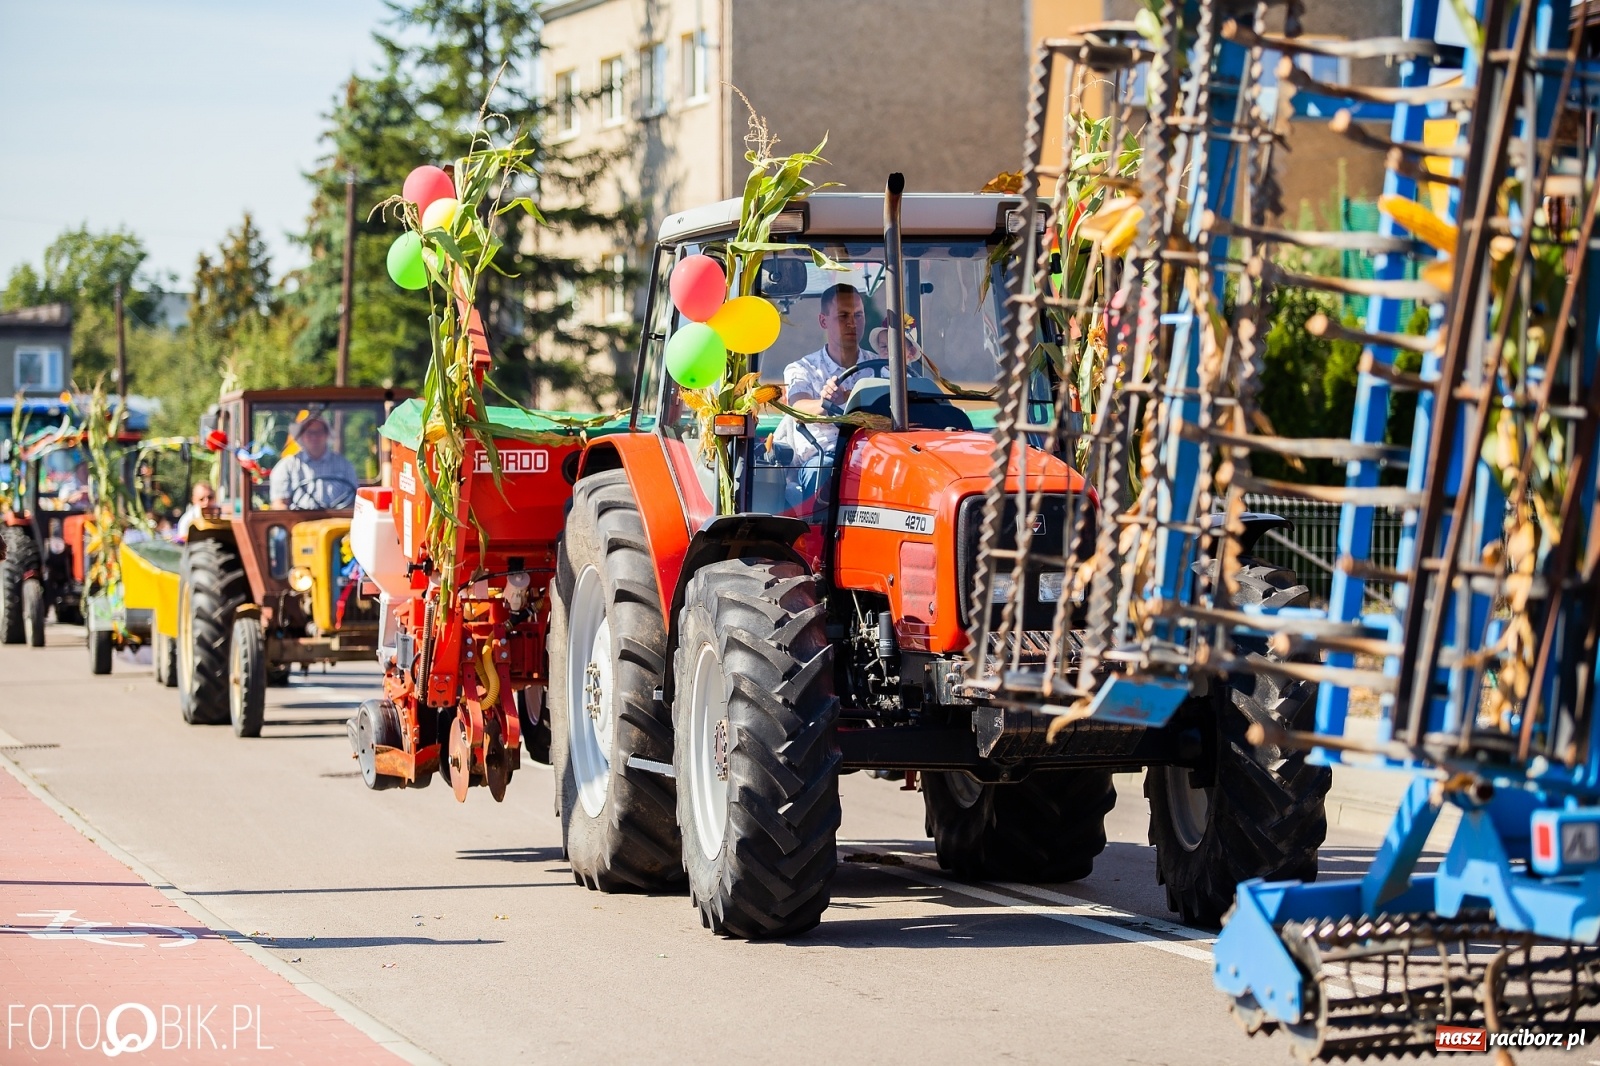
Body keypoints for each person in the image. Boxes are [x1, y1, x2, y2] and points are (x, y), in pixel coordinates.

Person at [269, 414, 359, 510]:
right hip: (299, 522)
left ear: (326, 435)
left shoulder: (345, 465)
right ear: (302, 436)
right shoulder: (286, 466)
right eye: (309, 432)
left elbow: (354, 502)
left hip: (338, 521)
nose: (314, 437)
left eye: (319, 432)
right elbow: (279, 504)